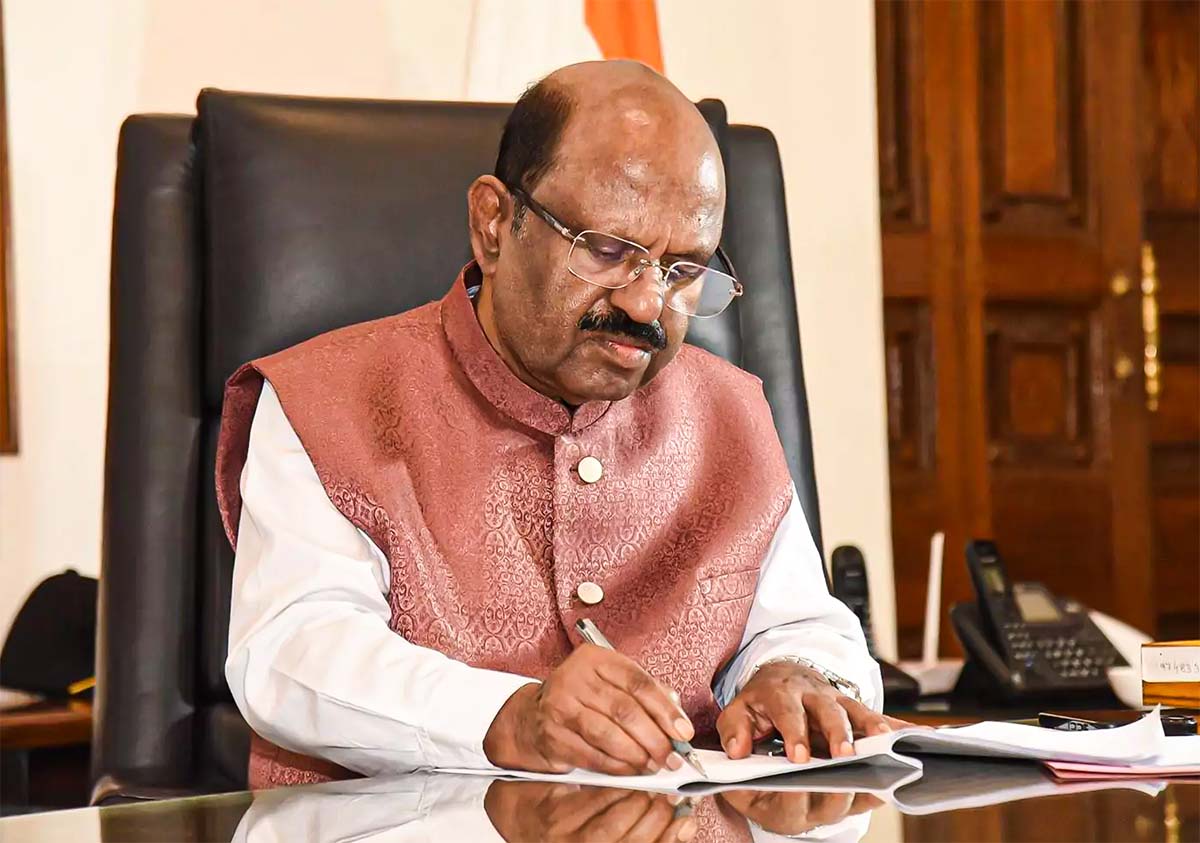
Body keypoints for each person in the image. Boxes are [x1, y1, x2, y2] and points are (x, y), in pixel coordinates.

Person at [217, 59, 897, 790]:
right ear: (493, 225)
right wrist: (508, 718)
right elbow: (292, 651)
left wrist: (793, 673)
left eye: (683, 270)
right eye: (607, 250)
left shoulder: (729, 411)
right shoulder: (327, 399)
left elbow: (799, 623)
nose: (645, 304)